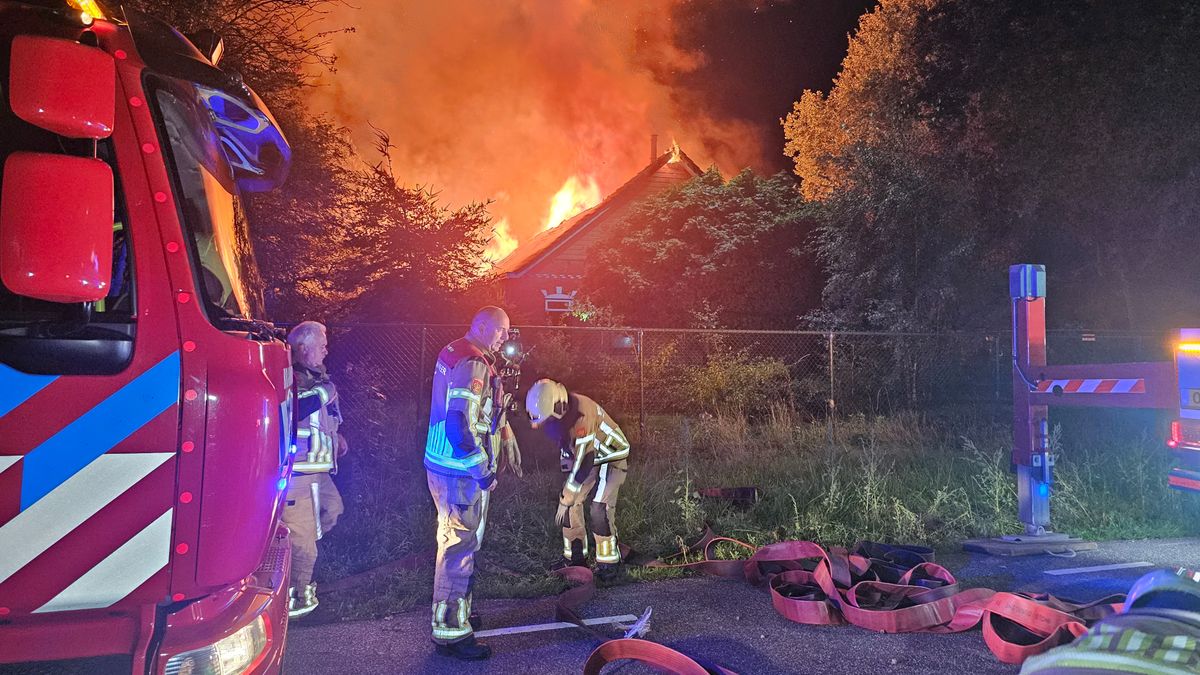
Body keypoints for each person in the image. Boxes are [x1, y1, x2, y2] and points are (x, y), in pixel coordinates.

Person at [423, 306, 520, 661]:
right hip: (460, 472)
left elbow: (478, 413)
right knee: (458, 548)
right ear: (481, 327)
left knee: (458, 541)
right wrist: (483, 471)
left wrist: (503, 430)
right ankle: (451, 632)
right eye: (501, 330)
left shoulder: (455, 350)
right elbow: (459, 425)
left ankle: (458, 607)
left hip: (443, 465)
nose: (506, 338)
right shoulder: (474, 364)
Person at [525, 379, 629, 581]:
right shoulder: (559, 416)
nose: (539, 427)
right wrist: (568, 494)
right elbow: (568, 451)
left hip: (610, 456)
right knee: (571, 504)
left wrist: (567, 496)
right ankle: (575, 559)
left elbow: (584, 460)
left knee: (599, 508)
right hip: (588, 458)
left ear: (558, 407)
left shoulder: (582, 414)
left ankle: (609, 564)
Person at [282, 321, 347, 618]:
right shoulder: (290, 376)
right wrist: (324, 391)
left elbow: (327, 417)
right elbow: (296, 408)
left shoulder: (318, 377)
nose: (326, 349)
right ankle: (296, 603)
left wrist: (338, 438)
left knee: (333, 509)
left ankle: (294, 545)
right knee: (304, 542)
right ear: (303, 347)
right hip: (298, 474)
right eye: (321, 343)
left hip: (318, 471)